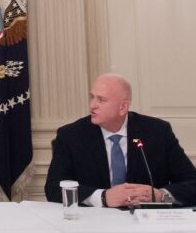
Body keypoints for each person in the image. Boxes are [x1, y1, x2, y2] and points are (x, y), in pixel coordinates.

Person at [45, 73, 196, 207]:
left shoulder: (157, 132)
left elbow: (192, 183)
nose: (92, 105)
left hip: (147, 225)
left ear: (123, 107)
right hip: (94, 225)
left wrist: (160, 196)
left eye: (101, 100)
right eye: (92, 97)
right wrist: (103, 197)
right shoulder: (71, 135)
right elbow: (53, 188)